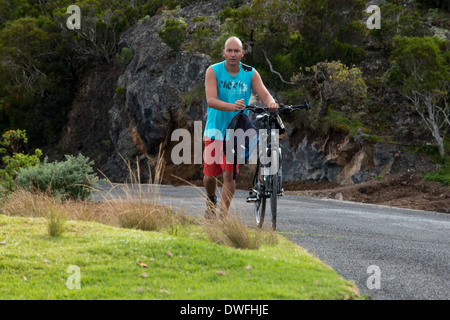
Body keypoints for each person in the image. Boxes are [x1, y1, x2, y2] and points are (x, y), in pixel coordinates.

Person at [203, 36, 278, 218]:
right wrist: (232, 106)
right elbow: (211, 100)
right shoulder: (213, 71)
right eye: (229, 50)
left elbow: (265, 94)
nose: (233, 54)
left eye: (237, 51)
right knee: (210, 175)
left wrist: (272, 103)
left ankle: (222, 217)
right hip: (215, 129)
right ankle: (211, 199)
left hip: (236, 132)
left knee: (229, 175)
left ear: (242, 53)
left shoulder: (250, 72)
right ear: (224, 52)